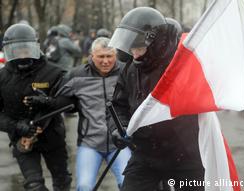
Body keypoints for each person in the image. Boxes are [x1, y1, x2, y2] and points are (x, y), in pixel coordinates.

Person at [109, 7, 204, 191]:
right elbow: (118, 105)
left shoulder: (182, 67)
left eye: (139, 48)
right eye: (132, 48)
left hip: (184, 153)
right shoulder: (130, 69)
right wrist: (118, 128)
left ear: (155, 42)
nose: (134, 53)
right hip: (145, 152)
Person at [28, 37, 131, 191]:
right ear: (91, 55)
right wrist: (42, 103)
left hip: (120, 143)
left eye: (109, 56)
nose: (105, 61)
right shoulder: (77, 75)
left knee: (128, 184)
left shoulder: (126, 72)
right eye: (100, 56)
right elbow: (56, 99)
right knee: (84, 186)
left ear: (115, 55)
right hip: (90, 144)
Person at [0, 23, 72, 191]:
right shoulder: (2, 77)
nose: (22, 55)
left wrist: (47, 101)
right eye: (17, 50)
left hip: (52, 137)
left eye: (26, 49)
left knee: (62, 182)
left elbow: (69, 103)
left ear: (35, 47)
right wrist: (17, 126)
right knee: (34, 186)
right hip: (22, 139)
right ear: (9, 50)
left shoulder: (55, 73)